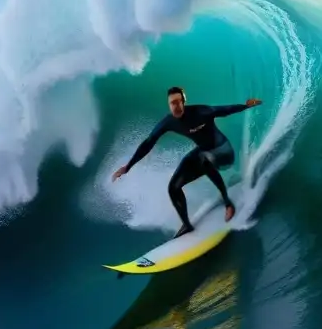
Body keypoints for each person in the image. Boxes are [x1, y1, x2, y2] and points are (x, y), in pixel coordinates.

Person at [112, 86, 263, 238]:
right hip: (204, 152)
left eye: (178, 102)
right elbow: (149, 142)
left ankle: (228, 203)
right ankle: (186, 224)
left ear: (184, 102)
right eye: (172, 103)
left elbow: (224, 110)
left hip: (224, 152)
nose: (176, 106)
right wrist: (128, 166)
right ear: (169, 105)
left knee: (203, 159)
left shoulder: (200, 111)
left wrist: (246, 105)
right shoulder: (168, 122)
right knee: (173, 187)